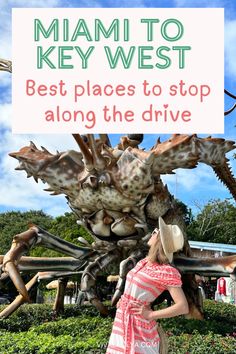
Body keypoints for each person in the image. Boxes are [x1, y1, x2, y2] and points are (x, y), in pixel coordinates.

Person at [106, 216, 189, 354]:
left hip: (140, 327)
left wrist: (151, 314)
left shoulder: (166, 271)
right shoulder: (143, 262)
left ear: (160, 240)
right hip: (122, 320)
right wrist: (124, 299)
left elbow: (183, 306)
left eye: (156, 231)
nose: (152, 233)